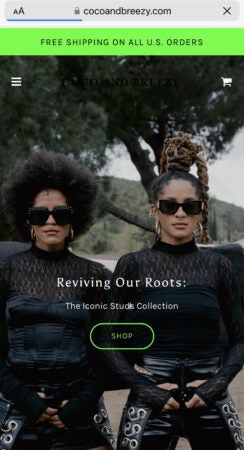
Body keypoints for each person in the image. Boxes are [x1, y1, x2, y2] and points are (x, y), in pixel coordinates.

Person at [100, 133, 244, 450]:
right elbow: (106, 337)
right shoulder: (132, 265)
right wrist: (146, 388)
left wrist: (214, 386)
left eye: (189, 206)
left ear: (200, 210)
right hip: (151, 401)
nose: (180, 214)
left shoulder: (219, 266)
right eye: (170, 206)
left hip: (210, 400)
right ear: (155, 211)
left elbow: (240, 339)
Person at [0, 151, 114, 450]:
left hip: (80, 414)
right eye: (41, 214)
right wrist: (25, 399)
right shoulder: (5, 272)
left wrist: (81, 402)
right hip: (16, 412)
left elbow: (107, 348)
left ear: (73, 218)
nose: (51, 220)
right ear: (28, 221)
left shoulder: (95, 275)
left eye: (60, 213)